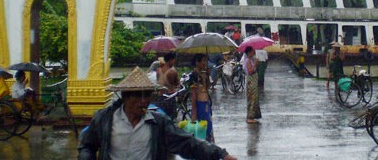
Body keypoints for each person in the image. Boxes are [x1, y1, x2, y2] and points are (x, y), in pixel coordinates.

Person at [78, 66, 237, 160]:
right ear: (125, 97)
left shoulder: (159, 122)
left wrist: (220, 154)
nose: (143, 101)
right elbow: (87, 145)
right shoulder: (105, 119)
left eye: (147, 95)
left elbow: (187, 143)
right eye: (137, 95)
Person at [190, 53, 215, 142]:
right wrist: (194, 110)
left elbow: (207, 87)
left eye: (206, 60)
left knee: (208, 126)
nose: (205, 63)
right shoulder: (194, 75)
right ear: (197, 62)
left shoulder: (204, 74)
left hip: (206, 102)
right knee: (202, 127)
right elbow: (193, 94)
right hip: (199, 104)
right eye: (203, 60)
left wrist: (207, 76)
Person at [244, 46, 261, 124]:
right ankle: (250, 117)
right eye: (252, 51)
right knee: (252, 98)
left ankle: (252, 116)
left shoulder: (250, 60)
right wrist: (255, 65)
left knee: (254, 98)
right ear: (249, 52)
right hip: (251, 82)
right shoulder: (248, 61)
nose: (253, 52)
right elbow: (251, 71)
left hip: (253, 82)